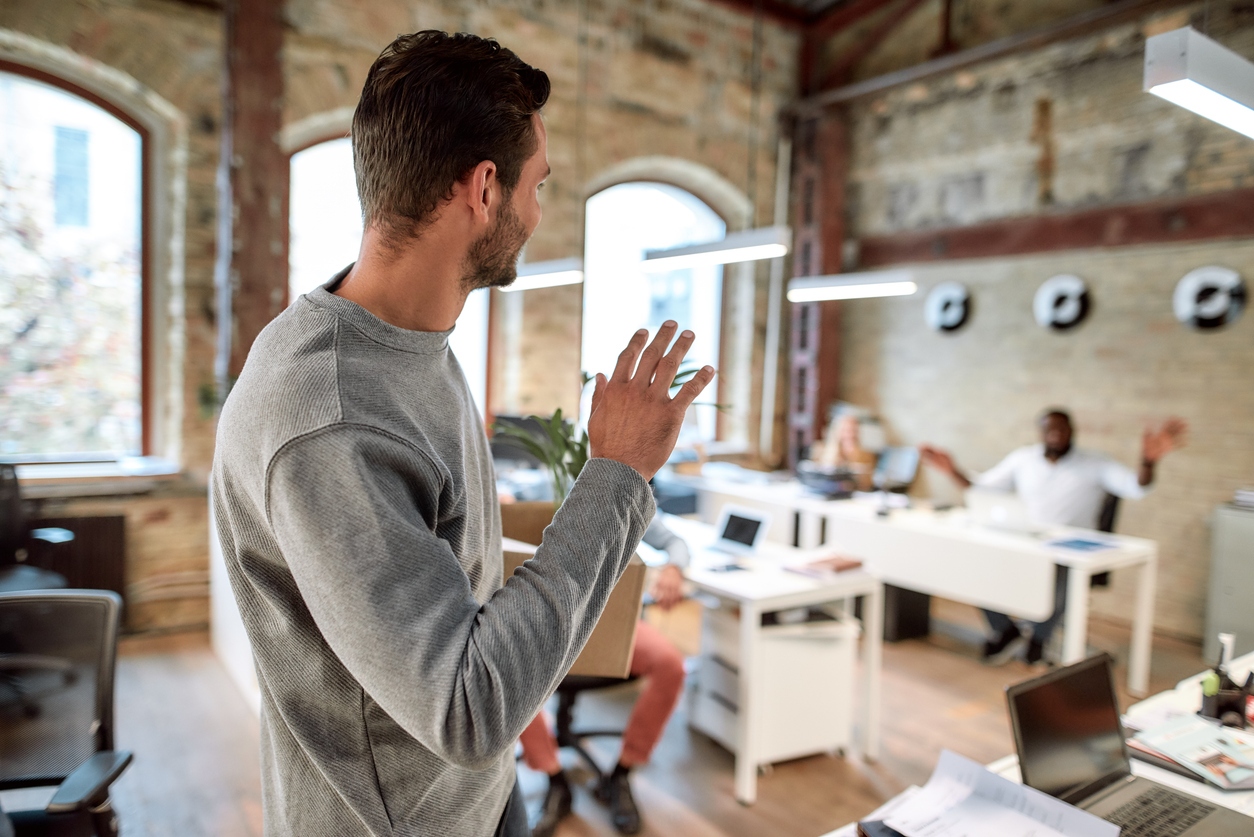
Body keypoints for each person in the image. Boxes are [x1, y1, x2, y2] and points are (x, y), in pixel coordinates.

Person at [211, 31, 715, 837]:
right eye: (538, 185)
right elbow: (466, 708)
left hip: (473, 792)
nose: (538, 211)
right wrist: (617, 471)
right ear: (485, 186)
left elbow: (445, 585)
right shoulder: (331, 416)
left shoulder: (410, 339)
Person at [919, 409, 1187, 665]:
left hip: (1069, 550)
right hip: (1027, 541)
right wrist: (951, 470)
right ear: (1041, 432)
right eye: (1050, 429)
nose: (1056, 434)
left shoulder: (1095, 463)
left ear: (1072, 431)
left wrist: (1148, 462)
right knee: (979, 568)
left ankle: (1038, 640)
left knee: (1061, 579)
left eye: (1062, 429)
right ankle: (1006, 632)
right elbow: (981, 487)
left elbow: (1135, 486)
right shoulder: (1023, 459)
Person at [523, 515, 690, 837]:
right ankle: (555, 780)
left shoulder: (627, 497)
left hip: (611, 620)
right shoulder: (540, 490)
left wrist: (674, 567)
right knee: (507, 671)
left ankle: (622, 773)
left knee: (670, 666)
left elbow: (676, 542)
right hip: (549, 624)